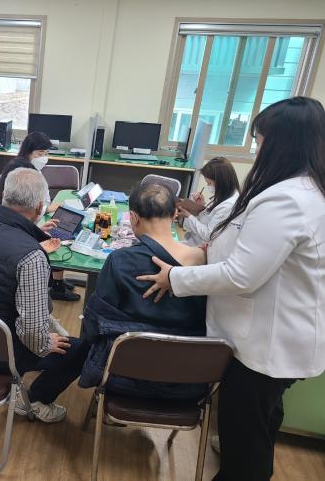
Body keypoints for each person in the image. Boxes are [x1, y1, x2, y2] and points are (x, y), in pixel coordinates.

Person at [137, 97, 325, 481]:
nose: (255, 150)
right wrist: (209, 249)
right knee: (262, 423)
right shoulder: (303, 191)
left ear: (281, 142)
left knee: (245, 438)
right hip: (280, 341)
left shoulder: (286, 200)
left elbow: (242, 275)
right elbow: (254, 252)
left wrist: (175, 278)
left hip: (266, 347)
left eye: (259, 141)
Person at [0, 168, 89, 423]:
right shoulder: (31, 257)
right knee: (81, 349)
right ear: (39, 207)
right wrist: (45, 343)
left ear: (4, 195)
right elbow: (33, 335)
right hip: (1, 355)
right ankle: (35, 401)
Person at [79, 183, 207, 399]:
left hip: (123, 376)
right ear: (175, 214)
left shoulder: (120, 260)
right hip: (188, 380)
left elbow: (94, 324)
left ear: (133, 218)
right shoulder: (204, 261)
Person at [0, 158, 81, 302]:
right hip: (1, 310)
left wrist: (33, 238)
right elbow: (35, 317)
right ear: (39, 207)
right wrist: (33, 249)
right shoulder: (32, 258)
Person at [178, 157, 240, 247]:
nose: (208, 186)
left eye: (209, 183)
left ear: (221, 182)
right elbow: (209, 216)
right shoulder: (224, 194)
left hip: (204, 247)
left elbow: (208, 234)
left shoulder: (228, 205)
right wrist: (201, 206)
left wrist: (188, 216)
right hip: (195, 241)